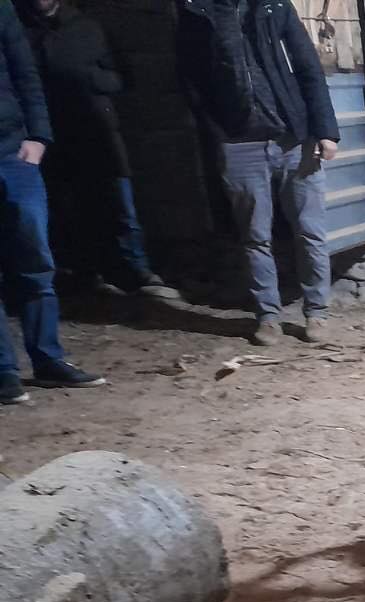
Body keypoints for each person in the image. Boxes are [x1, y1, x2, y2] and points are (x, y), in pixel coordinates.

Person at [176, 0, 338, 345]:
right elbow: (191, 81)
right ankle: (268, 317)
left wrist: (325, 130)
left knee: (310, 230)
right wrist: (217, 134)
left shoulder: (273, 6)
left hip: (293, 138)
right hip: (240, 143)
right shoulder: (196, 14)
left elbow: (308, 66)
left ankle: (317, 312)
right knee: (255, 235)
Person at [19, 0, 181, 300]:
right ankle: (85, 272)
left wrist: (88, 77)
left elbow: (122, 76)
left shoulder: (88, 27)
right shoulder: (22, 32)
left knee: (121, 204)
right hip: (54, 135)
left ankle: (136, 269)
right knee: (69, 208)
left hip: (98, 131)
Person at [0, 0, 103, 404]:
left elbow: (24, 71)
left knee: (34, 257)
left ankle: (47, 358)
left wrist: (38, 135)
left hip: (13, 153)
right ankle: (4, 372)